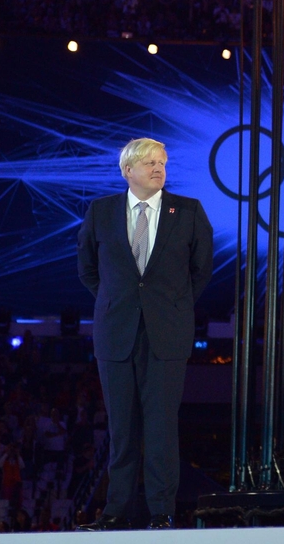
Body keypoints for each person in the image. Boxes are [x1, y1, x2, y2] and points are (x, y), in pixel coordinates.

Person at [76, 138, 213, 531]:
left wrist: (169, 305)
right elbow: (87, 270)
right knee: (121, 428)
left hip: (166, 334)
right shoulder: (101, 212)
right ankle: (115, 511)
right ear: (127, 171)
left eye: (163, 163)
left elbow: (199, 272)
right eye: (150, 163)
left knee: (161, 428)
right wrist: (116, 302)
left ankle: (161, 512)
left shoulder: (187, 212)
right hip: (115, 332)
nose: (159, 169)